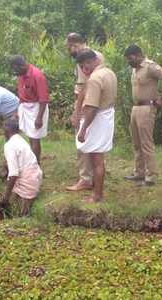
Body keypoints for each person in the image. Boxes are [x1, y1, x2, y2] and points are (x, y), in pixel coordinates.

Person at [124, 45, 162, 186]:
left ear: (139, 54)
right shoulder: (135, 69)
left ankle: (151, 176)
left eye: (131, 58)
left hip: (147, 108)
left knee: (146, 143)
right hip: (136, 108)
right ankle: (139, 172)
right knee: (136, 143)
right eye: (127, 59)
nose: (129, 61)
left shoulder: (150, 66)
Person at [65, 32, 105, 192]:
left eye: (70, 47)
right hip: (98, 104)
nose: (70, 50)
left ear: (75, 44)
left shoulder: (83, 59)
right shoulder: (97, 56)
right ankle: (96, 176)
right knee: (96, 142)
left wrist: (77, 111)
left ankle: (85, 179)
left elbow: (84, 88)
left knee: (82, 141)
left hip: (88, 103)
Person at [75, 49, 117, 203]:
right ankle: (97, 192)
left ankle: (97, 195)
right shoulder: (109, 72)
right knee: (98, 158)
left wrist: (83, 129)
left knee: (96, 159)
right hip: (106, 115)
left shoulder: (95, 78)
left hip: (97, 119)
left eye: (84, 66)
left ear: (90, 62)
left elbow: (92, 108)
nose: (84, 70)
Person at [10, 55, 49, 165]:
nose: (15, 72)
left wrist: (39, 118)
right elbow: (21, 95)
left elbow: (43, 99)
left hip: (37, 108)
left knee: (35, 137)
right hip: (25, 107)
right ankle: (31, 163)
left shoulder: (37, 75)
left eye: (15, 69)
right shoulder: (21, 74)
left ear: (22, 65)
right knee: (30, 137)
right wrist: (17, 111)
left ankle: (36, 166)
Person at [1, 118, 43, 216]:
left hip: (27, 184)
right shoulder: (20, 140)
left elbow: (14, 174)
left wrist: (6, 198)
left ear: (6, 130)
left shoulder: (10, 145)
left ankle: (23, 209)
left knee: (12, 211)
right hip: (35, 179)